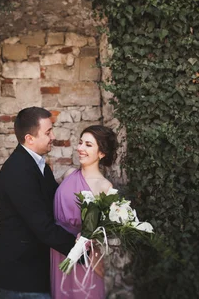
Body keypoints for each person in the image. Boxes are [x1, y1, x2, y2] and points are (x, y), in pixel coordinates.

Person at [0, 107, 77, 299]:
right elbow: (42, 225)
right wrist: (79, 248)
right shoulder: (18, 171)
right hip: (19, 275)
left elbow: (56, 206)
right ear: (30, 138)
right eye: (48, 132)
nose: (53, 136)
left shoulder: (39, 165)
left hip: (34, 271)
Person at [50, 125, 118, 299]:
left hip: (85, 257)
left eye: (88, 145)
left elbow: (105, 229)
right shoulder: (69, 174)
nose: (80, 148)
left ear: (101, 153)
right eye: (80, 143)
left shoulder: (104, 187)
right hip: (57, 249)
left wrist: (90, 238)